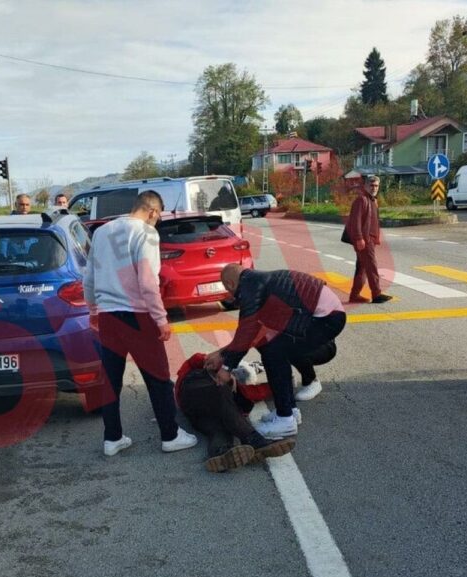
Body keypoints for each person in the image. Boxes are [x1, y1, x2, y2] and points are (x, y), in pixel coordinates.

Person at [83, 190, 197, 456]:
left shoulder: (101, 232)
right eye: (157, 217)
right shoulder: (146, 233)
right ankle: (170, 435)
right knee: (157, 376)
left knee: (110, 380)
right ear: (153, 212)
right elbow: (148, 281)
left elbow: (89, 276)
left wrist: (93, 309)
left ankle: (112, 438)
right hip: (138, 315)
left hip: (109, 315)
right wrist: (161, 319)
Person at [205, 264, 346, 440]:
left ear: (231, 284)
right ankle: (290, 411)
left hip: (326, 319)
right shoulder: (257, 280)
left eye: (227, 289)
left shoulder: (250, 288)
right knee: (272, 348)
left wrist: (226, 367)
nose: (230, 294)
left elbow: (248, 330)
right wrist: (224, 354)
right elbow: (256, 333)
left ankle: (285, 420)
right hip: (323, 316)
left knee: (275, 353)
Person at [175, 355, 295, 472]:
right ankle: (253, 439)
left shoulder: (241, 391)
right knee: (220, 390)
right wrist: (221, 369)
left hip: (198, 414)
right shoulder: (208, 373)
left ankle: (220, 453)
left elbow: (261, 391)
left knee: (220, 428)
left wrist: (284, 384)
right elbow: (197, 359)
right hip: (193, 390)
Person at [346, 175, 392, 304]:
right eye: (371, 185)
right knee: (371, 266)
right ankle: (376, 294)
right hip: (364, 240)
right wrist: (359, 238)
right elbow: (355, 222)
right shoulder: (361, 200)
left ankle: (354, 295)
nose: (374, 188)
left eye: (376, 185)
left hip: (370, 239)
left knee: (362, 268)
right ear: (365, 186)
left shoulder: (372, 200)